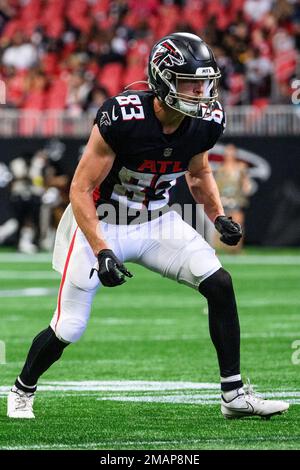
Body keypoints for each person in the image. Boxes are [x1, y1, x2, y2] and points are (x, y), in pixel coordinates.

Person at [7, 32, 289, 420]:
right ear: (163, 80)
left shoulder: (205, 121)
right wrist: (103, 250)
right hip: (102, 222)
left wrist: (217, 215)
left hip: (156, 221)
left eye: (204, 81)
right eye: (190, 82)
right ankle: (22, 390)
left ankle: (234, 395)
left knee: (220, 284)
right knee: (69, 326)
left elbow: (199, 171)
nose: (201, 91)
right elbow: (80, 189)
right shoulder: (123, 117)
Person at [214, 143, 253, 252]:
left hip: (236, 199)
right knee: (221, 224)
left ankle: (236, 249)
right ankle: (220, 248)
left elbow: (246, 182)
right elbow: (217, 185)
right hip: (223, 200)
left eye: (231, 152)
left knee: (238, 223)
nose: (229, 155)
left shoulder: (241, 167)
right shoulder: (221, 169)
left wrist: (246, 186)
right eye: (227, 152)